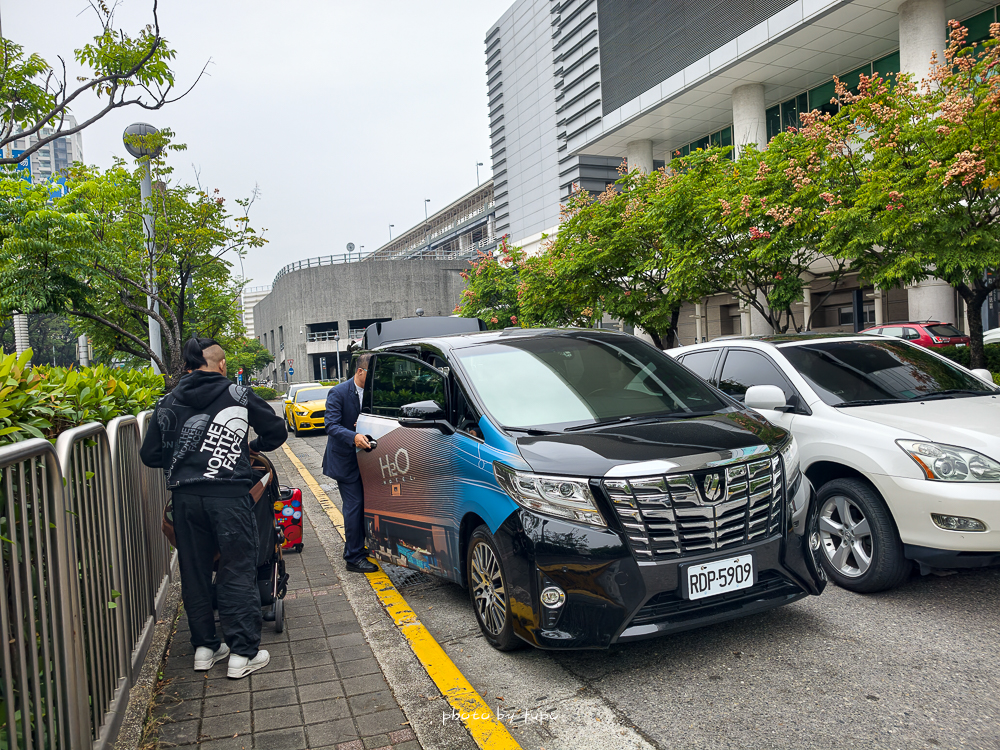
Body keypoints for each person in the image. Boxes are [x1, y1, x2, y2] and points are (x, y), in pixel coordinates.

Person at [140, 337, 287, 679]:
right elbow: (276, 432)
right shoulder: (238, 395)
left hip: (186, 500)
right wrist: (249, 446)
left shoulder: (167, 401)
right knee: (236, 569)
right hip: (229, 497)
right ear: (222, 365)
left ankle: (205, 648)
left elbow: (149, 455)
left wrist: (184, 459)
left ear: (188, 366)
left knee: (194, 571)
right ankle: (242, 653)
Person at [322, 352, 378, 573]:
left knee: (367, 505)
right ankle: (353, 557)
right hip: (346, 461)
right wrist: (353, 435)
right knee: (354, 507)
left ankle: (360, 546)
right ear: (360, 371)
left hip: (370, 460)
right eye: (370, 374)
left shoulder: (374, 392)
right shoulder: (338, 392)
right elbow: (331, 425)